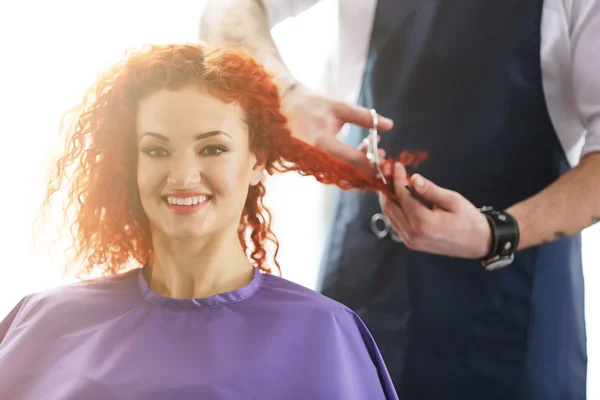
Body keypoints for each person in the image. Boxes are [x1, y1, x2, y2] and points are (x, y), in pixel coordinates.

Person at [199, 1, 600, 399]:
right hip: (365, 284)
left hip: (512, 317)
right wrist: (287, 96)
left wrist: (493, 232)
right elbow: (225, 11)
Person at [0, 44, 400, 400]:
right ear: (132, 164)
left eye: (212, 148)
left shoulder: (324, 333)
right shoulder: (44, 322)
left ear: (256, 160)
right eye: (157, 151)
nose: (182, 176)